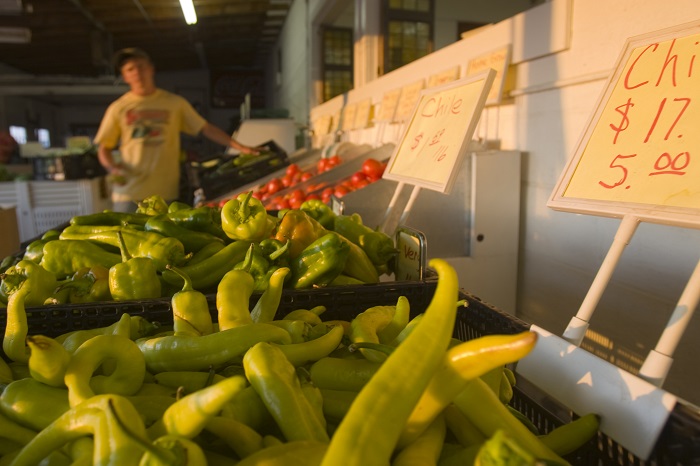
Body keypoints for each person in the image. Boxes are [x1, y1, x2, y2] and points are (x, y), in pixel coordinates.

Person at [95, 47, 259, 212]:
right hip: (129, 193)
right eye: (130, 69)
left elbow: (206, 128)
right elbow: (104, 148)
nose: (137, 72)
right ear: (125, 76)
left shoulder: (174, 103)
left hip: (165, 192)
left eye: (140, 66)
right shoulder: (118, 108)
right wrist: (112, 168)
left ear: (151, 69)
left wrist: (241, 147)